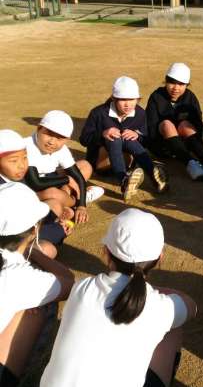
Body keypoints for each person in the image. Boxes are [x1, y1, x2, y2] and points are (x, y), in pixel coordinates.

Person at [36, 208, 197, 387]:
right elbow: (191, 306)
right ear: (160, 259)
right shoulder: (158, 306)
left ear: (105, 252)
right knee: (173, 330)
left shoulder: (82, 287)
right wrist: (157, 292)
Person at [0, 183, 74, 387]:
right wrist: (34, 252)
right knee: (39, 309)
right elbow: (67, 282)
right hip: (26, 260)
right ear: (34, 229)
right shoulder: (17, 276)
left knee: (24, 305)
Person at [80, 76, 168, 201]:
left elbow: (146, 140)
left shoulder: (140, 114)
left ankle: (155, 177)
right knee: (115, 138)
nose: (127, 104)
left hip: (127, 163)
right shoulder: (98, 113)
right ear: (114, 98)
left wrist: (138, 135)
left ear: (138, 99)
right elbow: (84, 139)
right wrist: (103, 134)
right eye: (122, 100)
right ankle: (124, 182)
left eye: (132, 99)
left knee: (129, 138)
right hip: (101, 163)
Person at [24, 110, 103, 225]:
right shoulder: (26, 147)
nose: (52, 142)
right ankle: (74, 201)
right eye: (49, 134)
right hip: (29, 190)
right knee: (52, 193)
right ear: (39, 128)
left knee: (85, 166)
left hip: (50, 179)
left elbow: (78, 177)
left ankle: (68, 201)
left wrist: (82, 206)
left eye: (60, 138)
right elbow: (36, 183)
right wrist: (67, 180)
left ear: (67, 139)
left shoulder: (61, 149)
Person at [0, 128, 69, 258]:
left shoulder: (14, 175)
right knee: (48, 250)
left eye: (25, 158)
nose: (22, 165)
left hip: (18, 228)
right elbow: (15, 233)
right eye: (14, 161)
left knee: (54, 205)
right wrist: (58, 230)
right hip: (7, 240)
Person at [146, 63, 203, 181]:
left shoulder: (190, 97)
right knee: (167, 124)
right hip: (163, 146)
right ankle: (190, 163)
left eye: (181, 84)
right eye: (172, 82)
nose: (176, 88)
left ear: (187, 85)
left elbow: (198, 126)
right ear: (166, 81)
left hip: (185, 145)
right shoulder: (156, 97)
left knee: (185, 124)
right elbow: (151, 128)